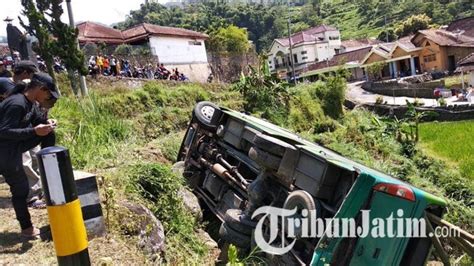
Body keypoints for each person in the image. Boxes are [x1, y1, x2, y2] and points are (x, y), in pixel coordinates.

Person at [0, 72, 59, 238]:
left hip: (12, 147)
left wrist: (47, 124)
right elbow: (3, 131)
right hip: (4, 150)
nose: (49, 98)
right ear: (41, 89)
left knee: (48, 133)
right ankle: (27, 229)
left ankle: (49, 172)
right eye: (49, 94)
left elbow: (36, 122)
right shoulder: (17, 103)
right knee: (20, 189)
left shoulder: (31, 103)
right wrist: (34, 131)